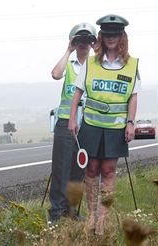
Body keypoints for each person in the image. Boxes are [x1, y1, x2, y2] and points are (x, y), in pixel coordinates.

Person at [68, 14, 141, 235]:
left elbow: (133, 97)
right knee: (91, 169)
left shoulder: (131, 65)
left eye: (115, 34)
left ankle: (102, 220)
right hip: (91, 124)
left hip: (116, 128)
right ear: (101, 36)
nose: (111, 38)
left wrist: (130, 123)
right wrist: (72, 119)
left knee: (108, 170)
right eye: (107, 34)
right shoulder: (90, 63)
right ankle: (91, 216)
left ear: (122, 37)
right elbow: (77, 93)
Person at [48, 23, 97, 222]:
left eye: (87, 40)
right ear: (74, 42)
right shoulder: (69, 64)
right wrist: (69, 49)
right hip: (65, 123)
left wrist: (97, 49)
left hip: (88, 124)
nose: (83, 44)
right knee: (61, 168)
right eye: (79, 40)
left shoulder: (97, 66)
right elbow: (55, 74)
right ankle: (56, 213)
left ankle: (71, 210)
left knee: (79, 170)